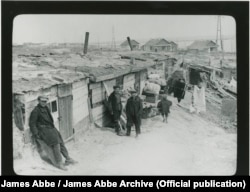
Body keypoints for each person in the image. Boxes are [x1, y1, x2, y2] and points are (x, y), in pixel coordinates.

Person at [29, 95, 77, 171]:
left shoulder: (46, 108)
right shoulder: (36, 111)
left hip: (51, 128)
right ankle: (59, 163)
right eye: (42, 101)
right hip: (44, 130)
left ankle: (68, 158)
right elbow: (32, 124)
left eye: (45, 101)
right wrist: (36, 134)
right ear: (38, 101)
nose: (44, 103)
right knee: (56, 143)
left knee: (61, 142)